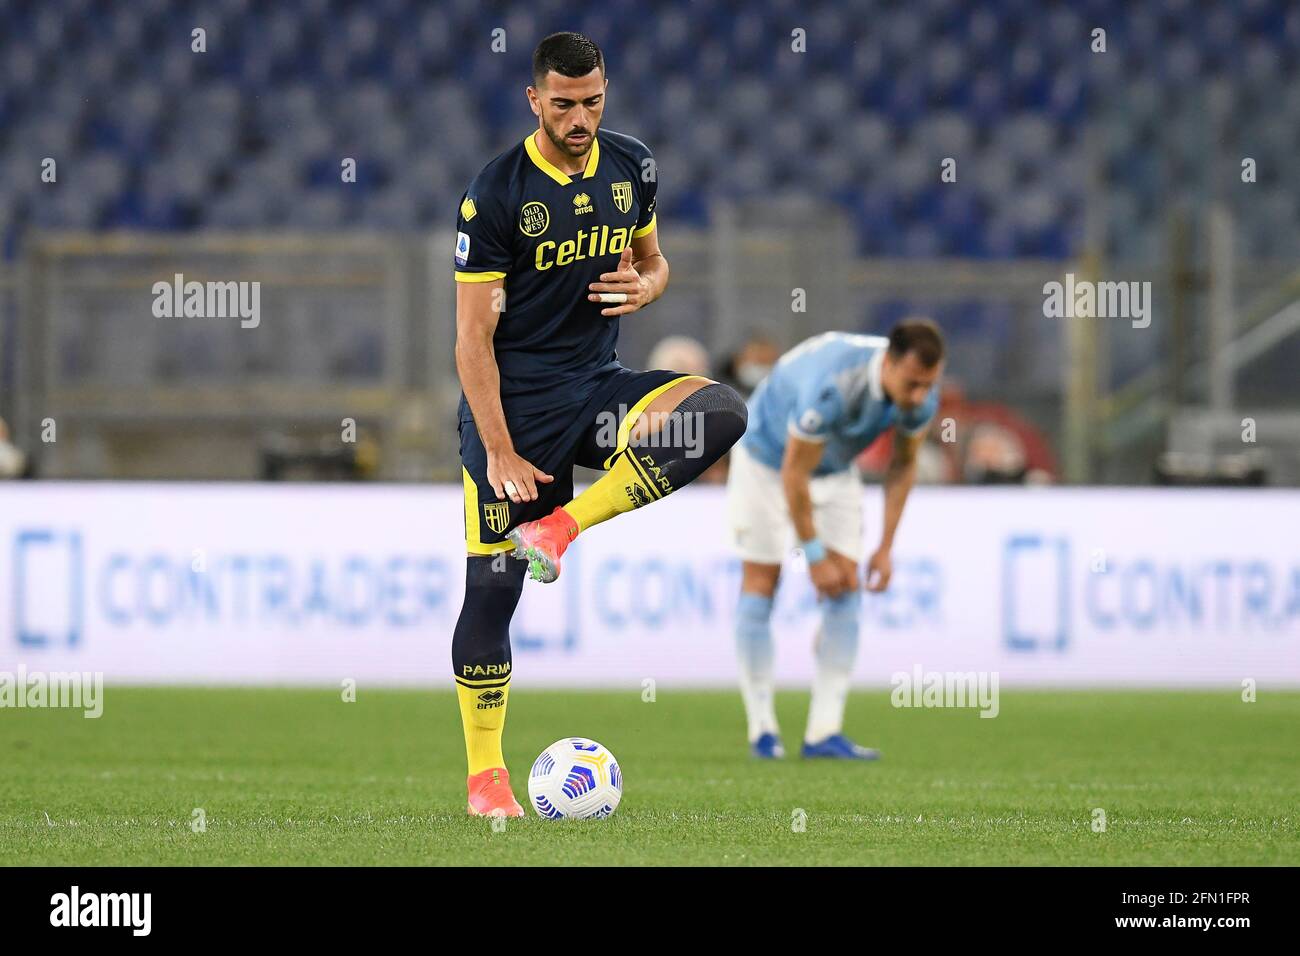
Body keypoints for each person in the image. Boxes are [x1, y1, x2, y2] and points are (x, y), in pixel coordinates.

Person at [451, 33, 747, 816]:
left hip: (596, 390)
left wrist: (647, 288)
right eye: (563, 104)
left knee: (719, 412)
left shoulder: (632, 165)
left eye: (592, 102)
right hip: (514, 416)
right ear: (533, 100)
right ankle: (487, 780)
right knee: (492, 594)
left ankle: (564, 529)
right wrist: (499, 449)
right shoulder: (497, 193)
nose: (579, 118)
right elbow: (471, 337)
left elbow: (655, 261)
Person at [726, 321, 943, 759]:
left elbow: (903, 467)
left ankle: (823, 732)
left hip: (834, 466)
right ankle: (763, 731)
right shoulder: (832, 386)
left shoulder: (920, 396)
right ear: (888, 363)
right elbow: (793, 473)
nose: (920, 396)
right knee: (762, 583)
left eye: (927, 385)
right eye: (912, 384)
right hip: (766, 459)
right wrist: (813, 555)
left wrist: (885, 547)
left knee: (846, 586)